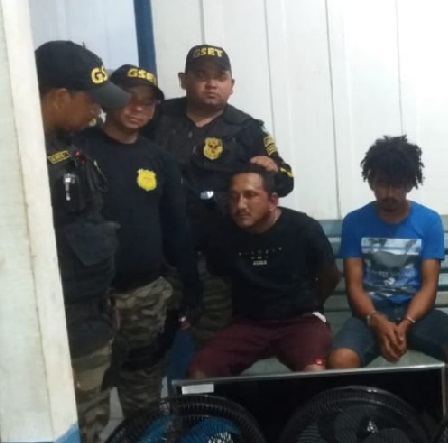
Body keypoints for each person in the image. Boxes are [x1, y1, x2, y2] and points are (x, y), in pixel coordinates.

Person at [142, 44, 295, 348]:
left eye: (220, 77)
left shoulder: (247, 129)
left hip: (219, 260)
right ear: (183, 79)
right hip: (160, 258)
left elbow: (286, 181)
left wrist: (273, 170)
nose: (211, 84)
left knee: (215, 347)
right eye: (201, 75)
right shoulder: (156, 118)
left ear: (231, 84)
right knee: (151, 346)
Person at [74, 64, 203, 418]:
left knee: (144, 395)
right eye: (128, 98)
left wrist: (191, 286)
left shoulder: (160, 160)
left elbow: (176, 228)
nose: (138, 108)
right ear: (108, 100)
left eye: (147, 102)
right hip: (89, 301)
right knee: (89, 399)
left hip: (144, 295)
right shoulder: (77, 149)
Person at [327, 135, 448, 412]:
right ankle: (361, 426)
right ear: (370, 182)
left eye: (397, 185)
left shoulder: (428, 221)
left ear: (410, 183)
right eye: (381, 184)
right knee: (340, 360)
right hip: (369, 316)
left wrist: (406, 323)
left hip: (418, 315)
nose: (389, 194)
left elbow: (429, 285)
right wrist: (377, 321)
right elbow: (354, 286)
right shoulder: (355, 222)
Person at [35, 40, 130, 443]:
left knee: (91, 423)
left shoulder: (63, 145)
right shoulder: (20, 160)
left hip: (90, 319)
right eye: (91, 101)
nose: (98, 112)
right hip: (60, 330)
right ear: (59, 97)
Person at [187, 164, 339, 377]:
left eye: (250, 196)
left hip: (300, 320)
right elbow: (220, 276)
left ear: (273, 201)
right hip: (248, 323)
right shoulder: (223, 233)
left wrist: (311, 303)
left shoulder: (302, 228)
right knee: (199, 372)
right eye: (234, 197)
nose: (240, 205)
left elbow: (330, 276)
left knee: (315, 372)